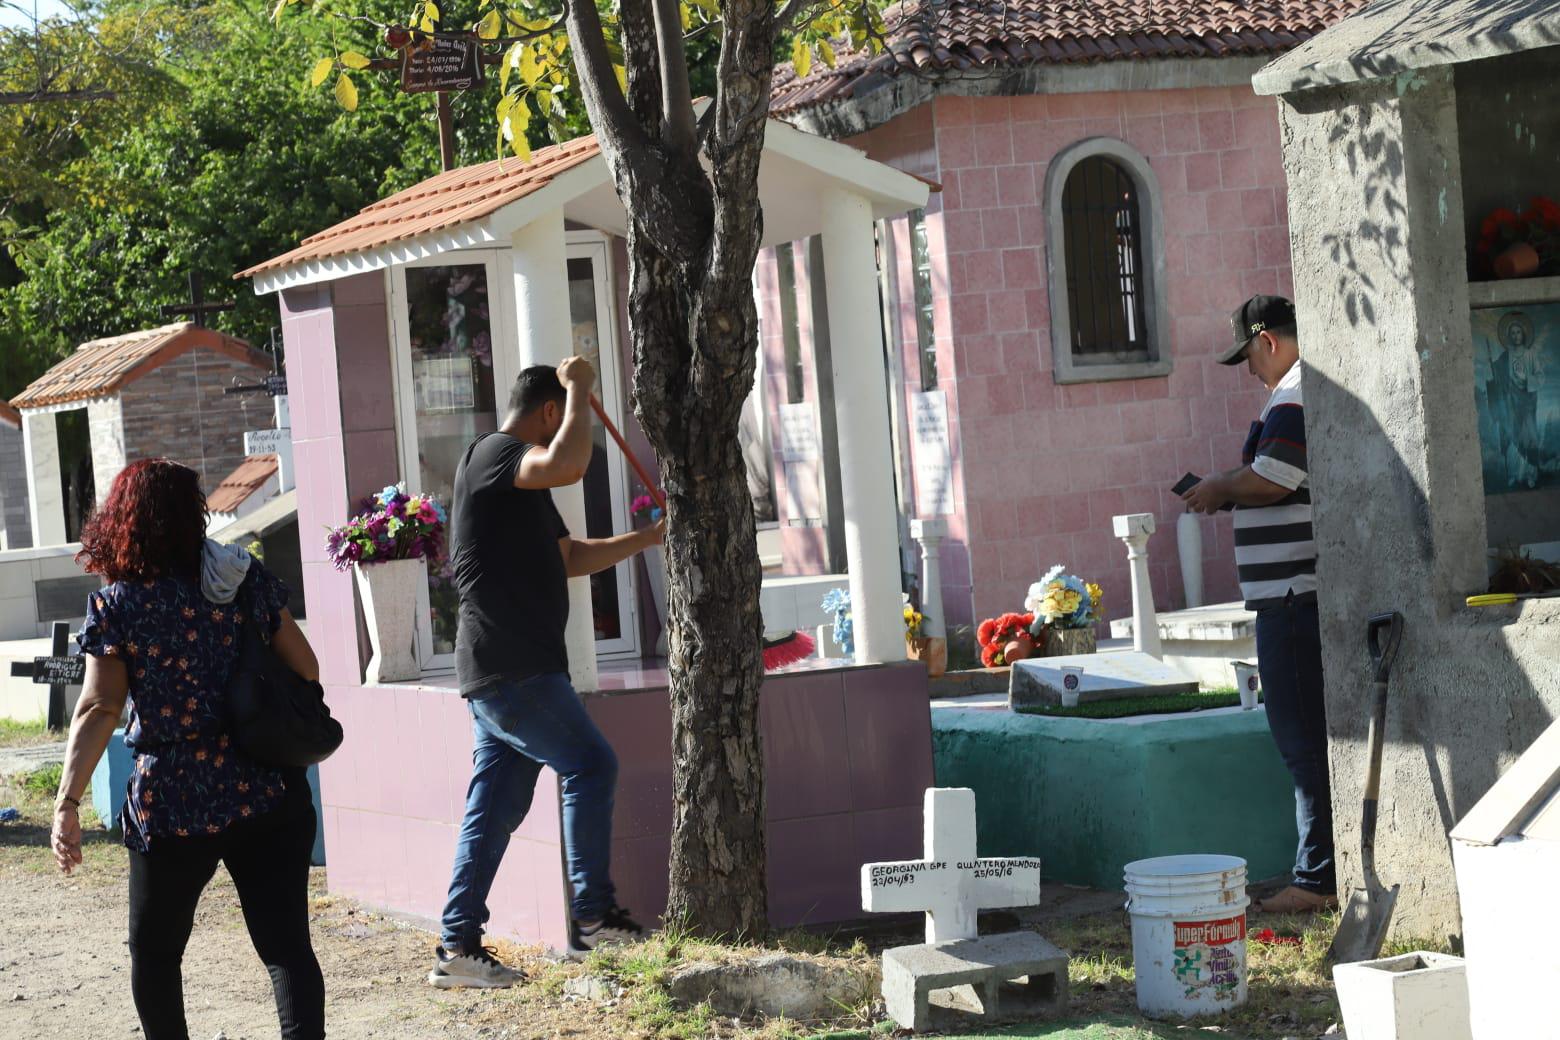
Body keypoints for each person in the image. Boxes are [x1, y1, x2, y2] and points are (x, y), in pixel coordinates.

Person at [50, 458, 325, 1040]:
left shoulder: (119, 604)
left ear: (122, 522)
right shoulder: (238, 577)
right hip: (265, 791)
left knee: (156, 956)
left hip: (173, 803)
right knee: (286, 950)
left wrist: (68, 802)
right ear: (192, 514)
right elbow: (307, 665)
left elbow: (101, 707)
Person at [430, 357, 665, 989]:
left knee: (493, 809)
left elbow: (569, 557)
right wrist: (585, 386)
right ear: (551, 411)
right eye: (567, 412)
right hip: (513, 669)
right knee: (591, 764)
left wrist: (647, 538)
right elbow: (570, 463)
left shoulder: (523, 488)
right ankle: (593, 916)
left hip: (506, 670)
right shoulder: (495, 456)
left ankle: (457, 947)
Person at [1180, 295, 1336, 914]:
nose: (1247, 368)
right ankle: (1317, 869)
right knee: (1302, 735)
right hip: (1287, 596)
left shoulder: (1296, 391)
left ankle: (1316, 878)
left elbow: (1275, 478)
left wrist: (1221, 485)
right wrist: (1226, 491)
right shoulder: (1288, 394)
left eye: (1246, 354)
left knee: (1302, 739)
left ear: (1267, 340)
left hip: (1296, 596)